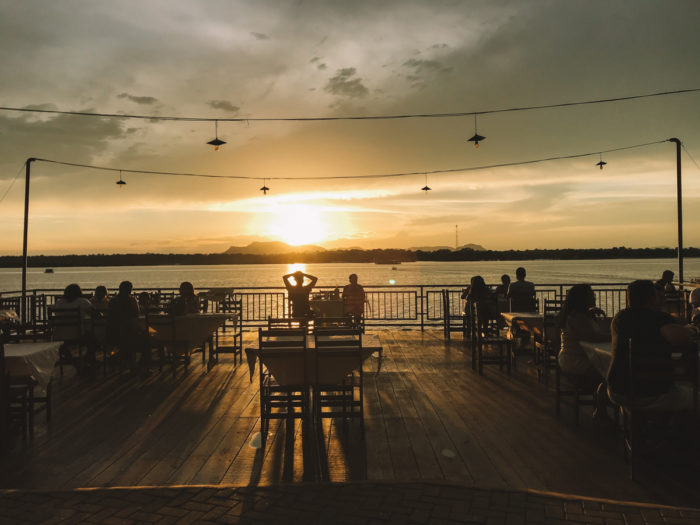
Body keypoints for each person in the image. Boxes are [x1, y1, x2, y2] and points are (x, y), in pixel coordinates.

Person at [607, 279, 693, 410]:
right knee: (691, 394)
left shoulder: (619, 318)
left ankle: (644, 424)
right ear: (652, 298)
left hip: (617, 391)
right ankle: (676, 428)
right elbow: (684, 339)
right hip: (651, 393)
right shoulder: (660, 319)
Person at [557, 284, 611, 416]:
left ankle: (602, 410)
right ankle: (601, 412)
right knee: (611, 375)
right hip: (576, 362)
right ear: (583, 299)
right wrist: (615, 335)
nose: (594, 296)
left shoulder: (579, 315)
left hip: (572, 359)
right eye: (591, 294)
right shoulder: (577, 317)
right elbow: (592, 337)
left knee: (610, 372)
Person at [107, 281, 149, 370]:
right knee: (146, 338)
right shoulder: (132, 300)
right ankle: (142, 366)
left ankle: (120, 357)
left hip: (113, 335)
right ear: (130, 290)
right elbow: (137, 314)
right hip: (128, 335)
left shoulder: (112, 301)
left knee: (128, 339)